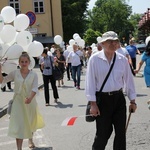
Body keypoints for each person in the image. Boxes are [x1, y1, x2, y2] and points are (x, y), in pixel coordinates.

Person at [85, 31, 137, 150]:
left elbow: (129, 81)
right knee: (103, 133)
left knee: (120, 133)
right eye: (110, 41)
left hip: (118, 99)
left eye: (116, 41)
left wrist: (132, 101)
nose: (113, 43)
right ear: (103, 43)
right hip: (102, 100)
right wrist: (93, 104)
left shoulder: (122, 59)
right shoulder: (94, 59)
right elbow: (90, 83)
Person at [0, 52, 45, 150]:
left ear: (29, 62)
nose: (24, 63)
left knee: (30, 122)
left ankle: (30, 139)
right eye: (22, 62)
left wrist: (30, 98)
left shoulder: (34, 74)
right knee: (19, 125)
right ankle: (19, 148)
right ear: (19, 63)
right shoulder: (15, 73)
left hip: (30, 102)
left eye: (26, 61)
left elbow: (34, 88)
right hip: (18, 103)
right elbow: (3, 80)